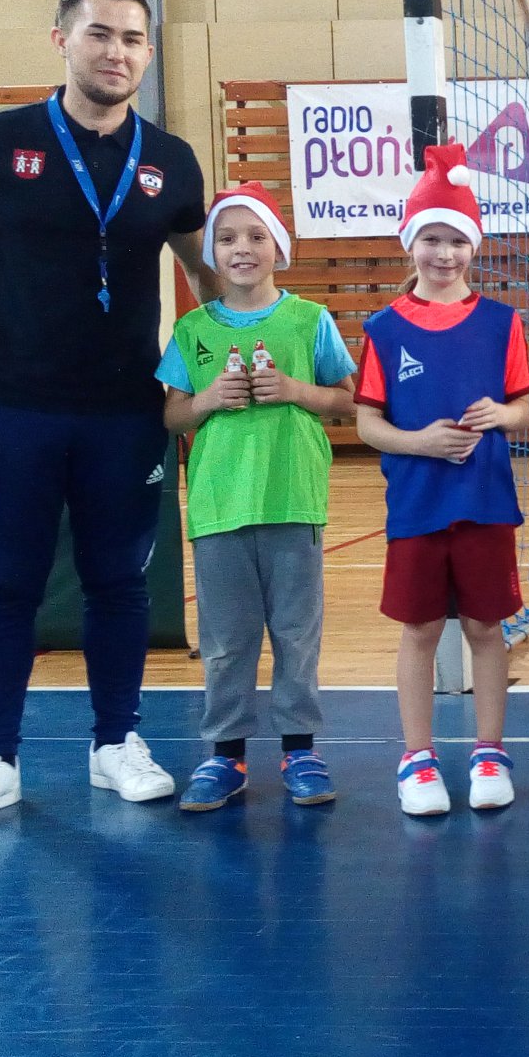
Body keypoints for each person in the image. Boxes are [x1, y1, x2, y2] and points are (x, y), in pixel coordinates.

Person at [0, 0, 211, 831]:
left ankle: (116, 742)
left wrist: (234, 373)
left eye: (133, 38)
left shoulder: (171, 161)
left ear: (148, 53)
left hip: (126, 413)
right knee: (5, 586)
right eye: (100, 34)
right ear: (62, 41)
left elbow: (212, 276)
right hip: (14, 408)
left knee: (119, 583)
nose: (118, 52)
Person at [158, 183, 356, 811]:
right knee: (225, 641)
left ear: (279, 247)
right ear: (211, 253)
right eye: (226, 238)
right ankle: (226, 755)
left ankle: (301, 749)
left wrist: (296, 390)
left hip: (293, 500)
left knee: (296, 635)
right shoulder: (192, 329)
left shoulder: (309, 320)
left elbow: (349, 400)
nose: (241, 248)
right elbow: (172, 416)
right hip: (219, 508)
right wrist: (208, 400)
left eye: (255, 235)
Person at [354, 145, 529, 817]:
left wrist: (501, 416)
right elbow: (367, 422)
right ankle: (418, 757)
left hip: (486, 502)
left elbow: (523, 406)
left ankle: (490, 751)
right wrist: (419, 443)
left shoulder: (502, 322)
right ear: (410, 243)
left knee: (487, 628)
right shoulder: (383, 329)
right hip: (417, 504)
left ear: (473, 246)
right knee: (421, 629)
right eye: (431, 238)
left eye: (457, 239)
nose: (444, 253)